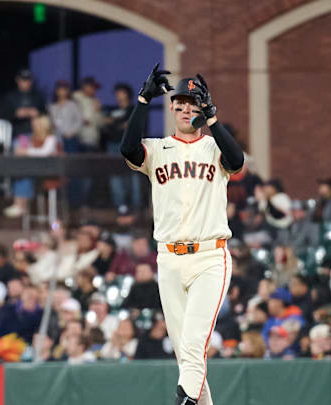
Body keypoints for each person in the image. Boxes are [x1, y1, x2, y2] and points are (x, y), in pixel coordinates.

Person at [120, 65, 244, 404]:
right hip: (170, 259)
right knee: (187, 360)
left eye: (194, 104)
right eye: (181, 103)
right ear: (172, 107)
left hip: (208, 257)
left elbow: (237, 160)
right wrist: (143, 100)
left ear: (202, 110)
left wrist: (214, 120)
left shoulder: (214, 147)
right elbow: (128, 148)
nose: (187, 109)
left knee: (192, 348)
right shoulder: (158, 149)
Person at [4, 115, 59, 218]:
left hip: (49, 173)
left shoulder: (51, 138)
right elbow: (24, 148)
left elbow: (44, 152)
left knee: (25, 175)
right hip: (34, 171)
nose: (34, 127)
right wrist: (21, 147)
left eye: (37, 125)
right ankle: (19, 204)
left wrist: (26, 151)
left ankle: (20, 205)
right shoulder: (32, 137)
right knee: (22, 174)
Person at [102, 83, 142, 216]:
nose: (118, 96)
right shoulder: (113, 111)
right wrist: (117, 126)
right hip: (113, 147)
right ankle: (121, 206)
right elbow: (107, 129)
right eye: (116, 93)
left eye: (121, 93)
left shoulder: (133, 110)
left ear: (127, 94)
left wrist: (115, 124)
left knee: (132, 175)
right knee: (115, 177)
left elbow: (131, 127)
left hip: (129, 146)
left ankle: (135, 207)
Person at [5, 69, 46, 138]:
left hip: (36, 135)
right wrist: (15, 114)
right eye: (23, 79)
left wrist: (38, 113)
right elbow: (4, 115)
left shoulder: (38, 96)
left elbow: (45, 113)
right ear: (17, 80)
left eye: (28, 79)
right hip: (16, 134)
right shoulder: (10, 97)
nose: (26, 82)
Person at [72, 76, 105, 152]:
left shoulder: (95, 102)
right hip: (78, 139)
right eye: (92, 87)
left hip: (92, 140)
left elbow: (100, 124)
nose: (94, 90)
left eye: (95, 88)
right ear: (85, 86)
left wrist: (98, 111)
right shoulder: (75, 98)